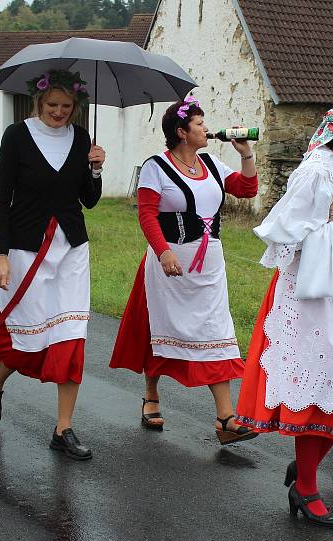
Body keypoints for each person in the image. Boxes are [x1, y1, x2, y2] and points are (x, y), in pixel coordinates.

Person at [234, 93, 333, 528]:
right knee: (317, 385)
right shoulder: (315, 171)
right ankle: (306, 485)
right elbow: (286, 236)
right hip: (309, 291)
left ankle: (305, 473)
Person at [0, 70, 105, 461]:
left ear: (75, 106)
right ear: (38, 103)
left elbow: (88, 200)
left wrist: (94, 168)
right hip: (26, 248)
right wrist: (0, 254)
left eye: (66, 106)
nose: (60, 112)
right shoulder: (17, 136)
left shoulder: (81, 139)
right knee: (29, 335)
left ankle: (64, 429)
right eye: (52, 105)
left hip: (72, 249)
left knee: (71, 336)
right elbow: (1, 199)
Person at [109, 96, 259, 443]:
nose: (207, 129)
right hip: (171, 262)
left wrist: (245, 154)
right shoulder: (155, 167)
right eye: (199, 124)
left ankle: (225, 420)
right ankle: (151, 395)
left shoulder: (211, 163)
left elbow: (247, 189)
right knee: (160, 328)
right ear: (181, 132)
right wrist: (162, 253)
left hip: (209, 264)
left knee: (214, 331)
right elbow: (147, 214)